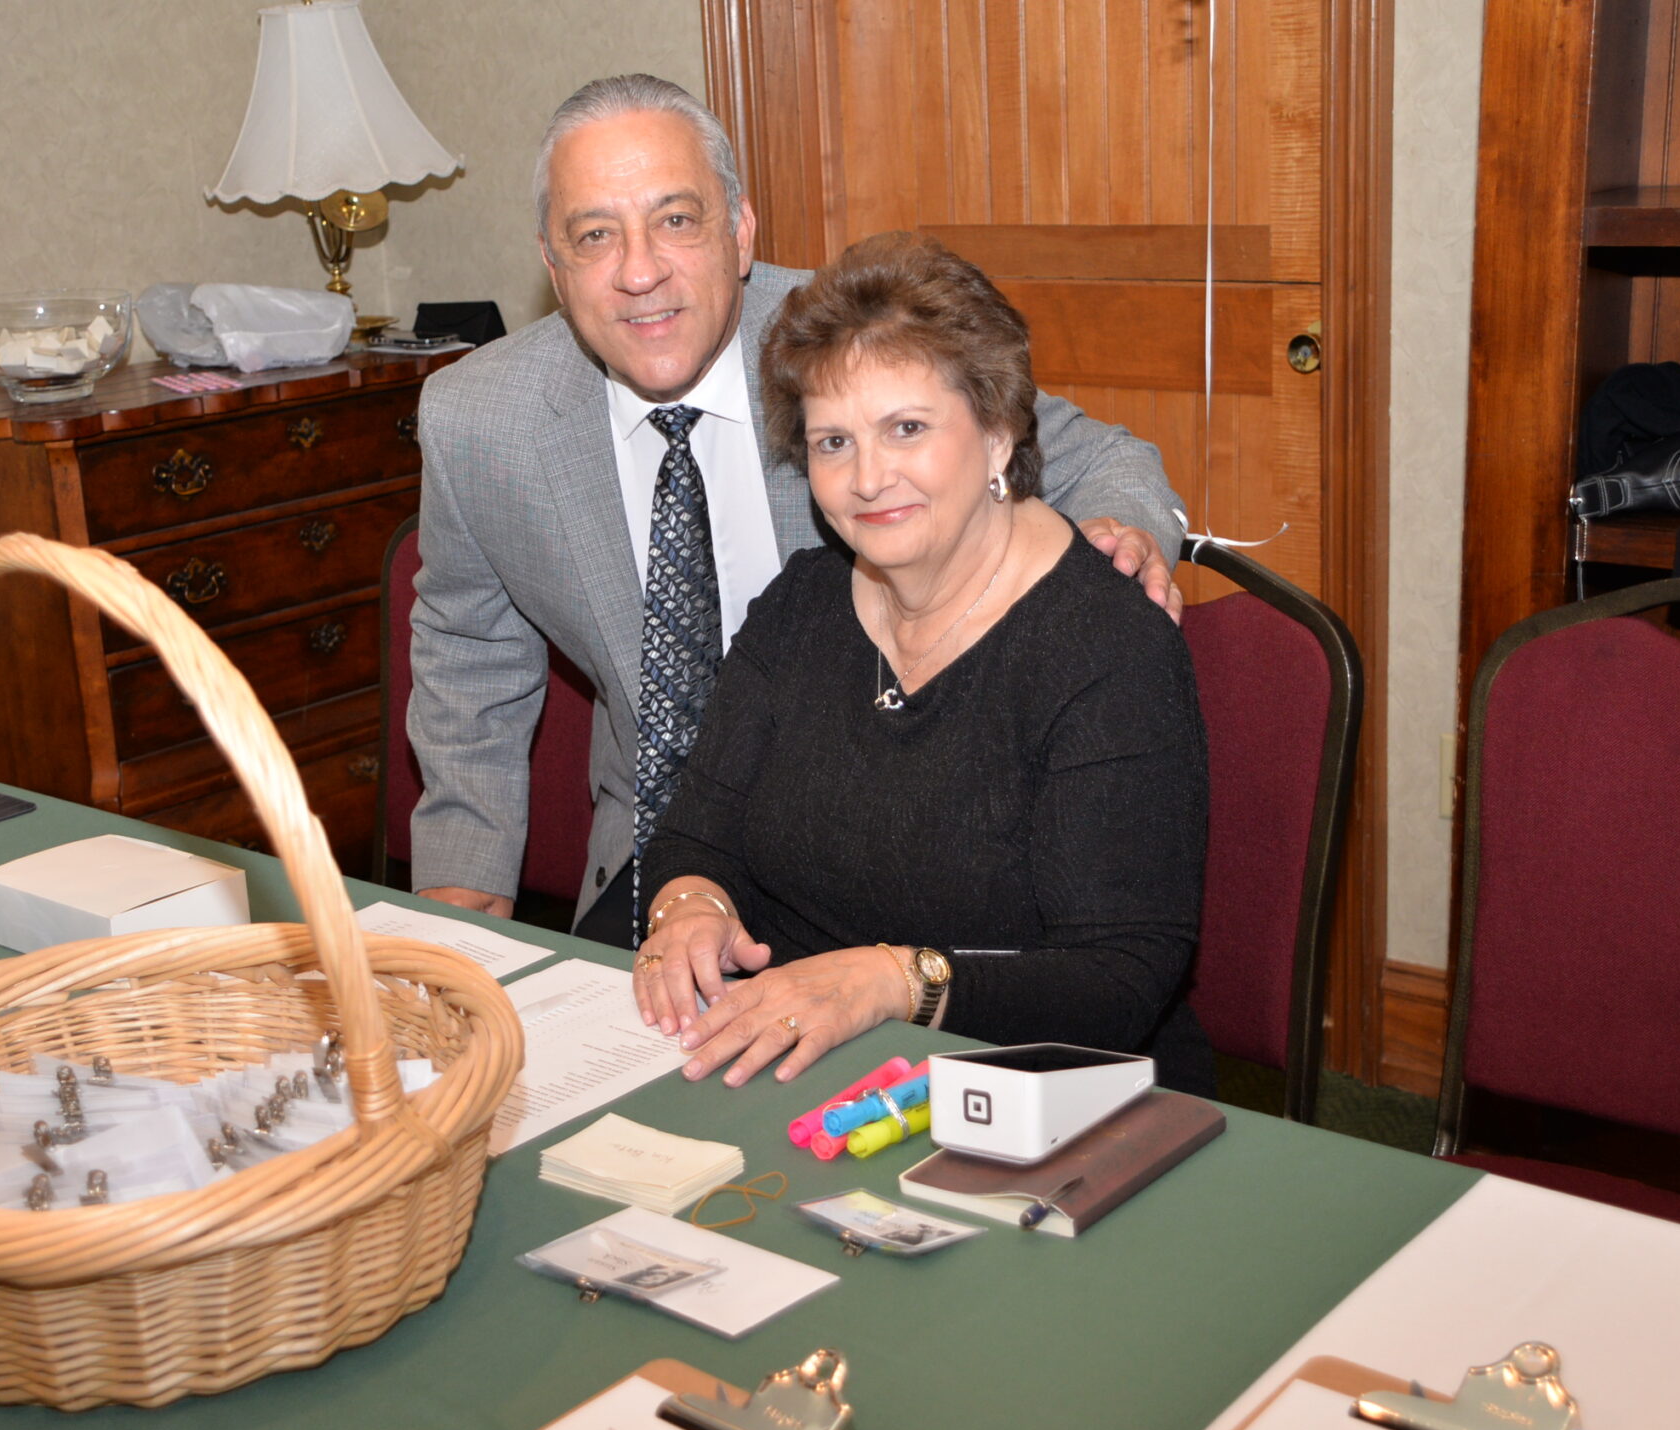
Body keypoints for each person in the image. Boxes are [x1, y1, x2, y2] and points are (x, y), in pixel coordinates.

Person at [408, 74, 1188, 946]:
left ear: (740, 231)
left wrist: (1120, 540)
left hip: (882, 849)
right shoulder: (482, 420)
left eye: (676, 219)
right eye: (595, 235)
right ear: (552, 268)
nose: (639, 271)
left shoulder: (847, 345)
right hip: (662, 860)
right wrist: (460, 901)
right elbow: (468, 654)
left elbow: (1108, 460)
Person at [631, 233, 1212, 1095]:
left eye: (907, 428)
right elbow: (695, 834)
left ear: (999, 432)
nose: (868, 478)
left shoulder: (1108, 647)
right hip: (797, 1062)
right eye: (834, 442)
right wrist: (690, 908)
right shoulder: (801, 605)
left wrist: (893, 981)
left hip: (1042, 1090)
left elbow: (1118, 980)